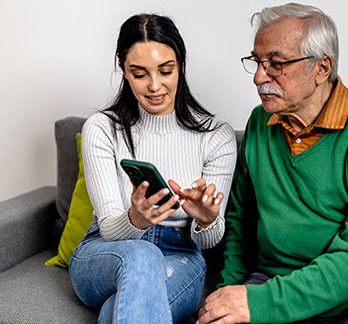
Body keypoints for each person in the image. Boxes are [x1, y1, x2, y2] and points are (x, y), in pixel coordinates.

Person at [197, 3, 348, 324]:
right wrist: (230, 297)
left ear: (322, 68)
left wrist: (260, 303)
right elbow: (242, 223)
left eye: (276, 64)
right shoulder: (259, 123)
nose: (259, 77)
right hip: (275, 280)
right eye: (256, 61)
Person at [68, 13, 237, 324]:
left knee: (113, 313)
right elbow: (108, 227)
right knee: (142, 256)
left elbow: (208, 240)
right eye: (140, 73)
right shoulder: (103, 129)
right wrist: (136, 219)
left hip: (180, 255)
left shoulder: (216, 136)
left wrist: (207, 219)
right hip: (105, 253)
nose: (155, 85)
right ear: (124, 72)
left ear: (180, 67)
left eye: (166, 71)